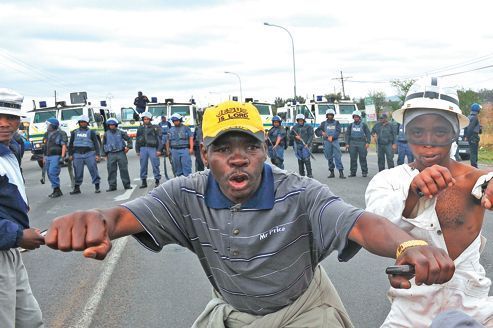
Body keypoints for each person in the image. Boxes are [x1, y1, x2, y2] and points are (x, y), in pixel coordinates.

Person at [45, 100, 456, 328]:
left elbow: (360, 223)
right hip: (233, 313)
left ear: (265, 150)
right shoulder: (184, 194)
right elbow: (121, 218)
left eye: (250, 148)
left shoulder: (299, 193)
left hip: (304, 311)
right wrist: (97, 219)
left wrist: (409, 242)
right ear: (204, 154)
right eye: (224, 149)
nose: (238, 160)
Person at [365, 77, 493, 327]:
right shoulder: (388, 181)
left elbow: (487, 184)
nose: (428, 141)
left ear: (454, 133)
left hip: (473, 305)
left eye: (440, 132)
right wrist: (414, 191)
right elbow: (374, 223)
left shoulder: (477, 179)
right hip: (411, 308)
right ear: (406, 134)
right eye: (417, 131)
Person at [0, 88, 44, 327]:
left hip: (9, 249)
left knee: (30, 320)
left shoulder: (10, 148)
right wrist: (17, 235)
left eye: (11, 118)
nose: (4, 124)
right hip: (5, 243)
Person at [68, 115, 101, 194]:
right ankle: (77, 188)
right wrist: (70, 154)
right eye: (81, 122)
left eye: (84, 122)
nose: (82, 124)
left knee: (93, 169)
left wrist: (97, 154)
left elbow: (96, 144)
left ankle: (97, 186)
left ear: (87, 123)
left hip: (89, 153)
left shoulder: (91, 132)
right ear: (79, 123)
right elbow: (71, 144)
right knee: (78, 171)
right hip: (77, 154)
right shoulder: (74, 132)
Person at [102, 118, 132, 192]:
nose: (111, 126)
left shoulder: (121, 132)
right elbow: (103, 144)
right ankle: (112, 186)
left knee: (124, 169)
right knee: (111, 170)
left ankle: (127, 185)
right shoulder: (106, 134)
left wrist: (128, 147)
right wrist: (104, 154)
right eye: (110, 125)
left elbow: (129, 139)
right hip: (111, 154)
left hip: (121, 153)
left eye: (113, 125)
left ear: (116, 125)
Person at [315, 108, 345, 179]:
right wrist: (322, 133)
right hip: (327, 142)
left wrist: (333, 137)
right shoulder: (323, 123)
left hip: (335, 141)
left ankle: (341, 172)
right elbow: (317, 131)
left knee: (338, 156)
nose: (330, 116)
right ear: (327, 115)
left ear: (333, 115)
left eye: (331, 115)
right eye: (329, 115)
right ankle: (332, 172)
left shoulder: (337, 123)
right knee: (329, 157)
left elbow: (338, 131)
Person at [42, 117, 68, 198]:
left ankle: (57, 190)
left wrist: (62, 157)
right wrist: (44, 157)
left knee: (53, 173)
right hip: (47, 156)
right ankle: (56, 190)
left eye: (48, 124)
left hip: (56, 156)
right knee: (49, 174)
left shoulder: (60, 134)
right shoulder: (46, 134)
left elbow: (64, 145)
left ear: (53, 125)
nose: (47, 126)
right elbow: (45, 147)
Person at [135, 111, 162, 188]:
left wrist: (159, 150)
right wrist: (137, 150)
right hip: (143, 148)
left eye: (147, 119)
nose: (146, 120)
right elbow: (137, 139)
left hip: (152, 148)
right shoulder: (140, 128)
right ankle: (143, 181)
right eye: (145, 119)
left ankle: (157, 180)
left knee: (155, 164)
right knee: (143, 165)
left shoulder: (155, 127)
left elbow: (159, 139)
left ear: (150, 119)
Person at [344, 110, 371, 177]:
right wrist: (347, 143)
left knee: (363, 157)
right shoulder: (350, 125)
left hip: (361, 142)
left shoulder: (364, 125)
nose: (356, 118)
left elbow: (368, 133)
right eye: (354, 117)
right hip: (352, 143)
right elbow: (347, 134)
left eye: (357, 117)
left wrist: (368, 142)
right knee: (353, 158)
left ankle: (364, 172)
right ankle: (353, 172)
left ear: (359, 118)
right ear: (353, 118)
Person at [464, 103, 482, 168]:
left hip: (472, 136)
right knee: (474, 152)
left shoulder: (469, 117)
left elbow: (467, 127)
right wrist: (467, 136)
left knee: (473, 151)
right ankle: (474, 167)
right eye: (479, 109)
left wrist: (479, 127)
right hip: (473, 136)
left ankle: (474, 166)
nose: (480, 110)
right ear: (477, 110)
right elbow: (470, 128)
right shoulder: (475, 117)